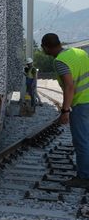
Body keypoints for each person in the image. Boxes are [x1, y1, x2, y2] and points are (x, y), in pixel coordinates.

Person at [41, 33, 89, 188]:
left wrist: (65, 111)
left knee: (81, 141)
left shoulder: (60, 61)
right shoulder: (80, 52)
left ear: (46, 47)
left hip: (81, 104)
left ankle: (84, 177)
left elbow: (69, 86)